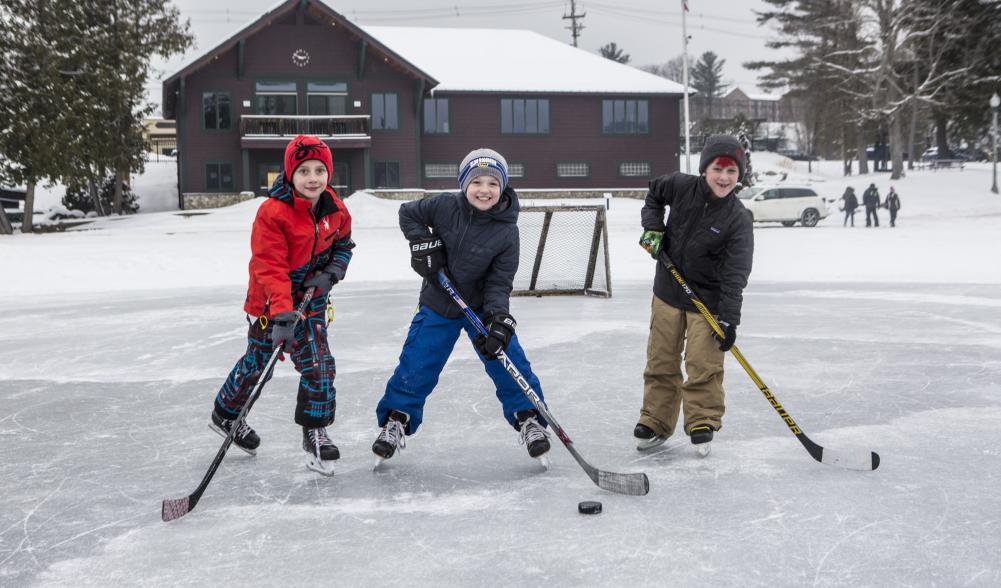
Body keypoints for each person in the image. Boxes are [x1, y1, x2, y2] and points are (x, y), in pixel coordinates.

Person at [371, 148, 551, 466]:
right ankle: (396, 420)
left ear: (504, 187)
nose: (484, 189)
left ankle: (529, 418)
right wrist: (424, 246)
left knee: (506, 356)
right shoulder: (443, 205)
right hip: (439, 301)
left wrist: (498, 319)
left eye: (493, 183)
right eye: (477, 181)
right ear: (464, 184)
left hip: (481, 307)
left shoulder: (508, 232)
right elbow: (407, 213)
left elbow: (499, 283)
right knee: (418, 360)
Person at [209, 134, 354, 475]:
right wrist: (282, 316)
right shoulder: (272, 212)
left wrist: (332, 273)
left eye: (320, 170)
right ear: (290, 174)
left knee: (320, 364)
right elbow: (269, 266)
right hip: (269, 305)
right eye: (304, 170)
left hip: (312, 301)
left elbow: (344, 246)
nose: (313, 178)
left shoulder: (335, 207)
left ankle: (315, 432)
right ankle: (226, 414)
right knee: (258, 365)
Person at [634, 135, 754, 455]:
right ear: (704, 169)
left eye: (731, 172)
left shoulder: (738, 219)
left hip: (708, 304)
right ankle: (656, 420)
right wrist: (653, 229)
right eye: (718, 169)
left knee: (703, 364)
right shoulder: (680, 185)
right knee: (661, 360)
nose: (724, 178)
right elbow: (653, 196)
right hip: (668, 291)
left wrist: (729, 318)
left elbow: (735, 274)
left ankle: (702, 419)